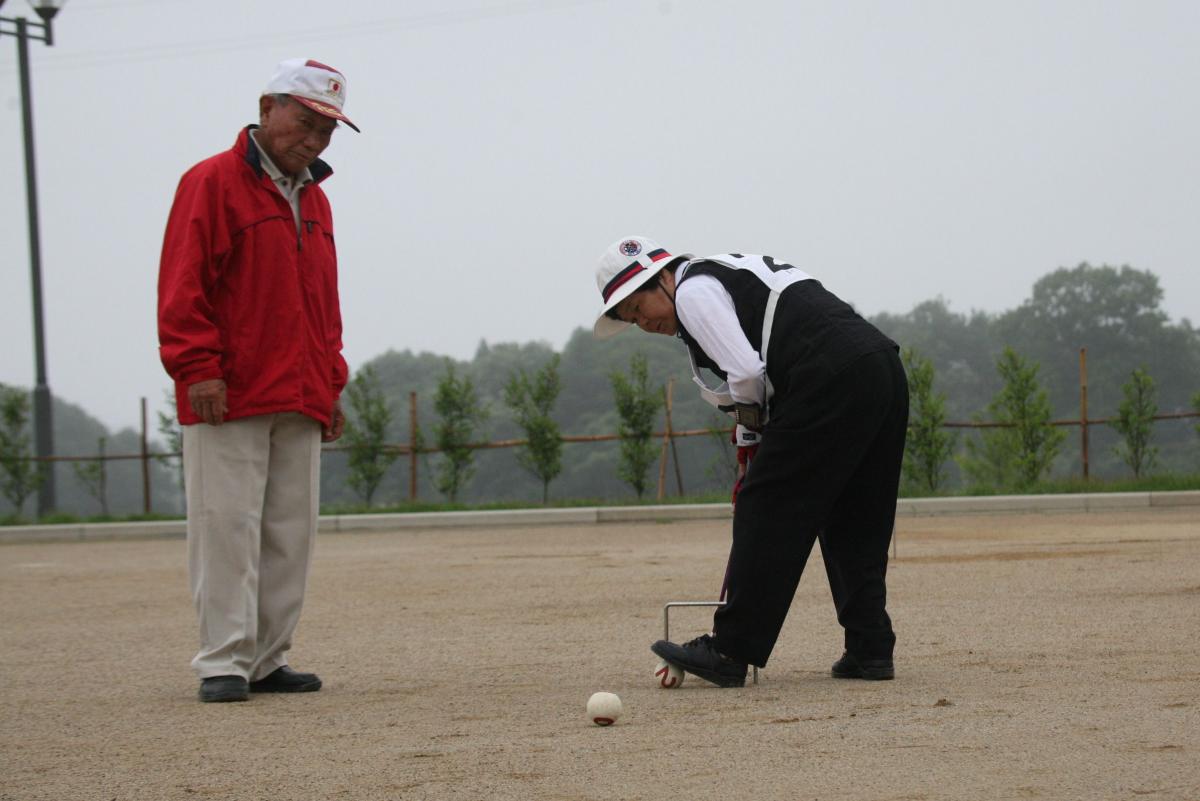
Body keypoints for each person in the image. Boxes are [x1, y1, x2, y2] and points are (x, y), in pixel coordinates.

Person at [592, 236, 909, 687]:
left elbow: (744, 371)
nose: (643, 322)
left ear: (663, 276)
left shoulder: (692, 291)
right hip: (880, 367)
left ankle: (730, 649)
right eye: (631, 319)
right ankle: (870, 648)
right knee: (854, 514)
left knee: (765, 504)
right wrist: (751, 433)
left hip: (826, 376)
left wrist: (753, 440)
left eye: (640, 306)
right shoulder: (723, 277)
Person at [157, 58, 360, 703]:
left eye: (327, 132)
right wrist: (197, 370)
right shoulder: (211, 182)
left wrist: (332, 381)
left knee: (289, 534)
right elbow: (183, 286)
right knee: (226, 528)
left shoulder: (318, 198)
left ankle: (269, 658)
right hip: (229, 391)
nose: (315, 140)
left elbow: (323, 301)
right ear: (268, 107)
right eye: (306, 122)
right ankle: (223, 661)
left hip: (300, 389)